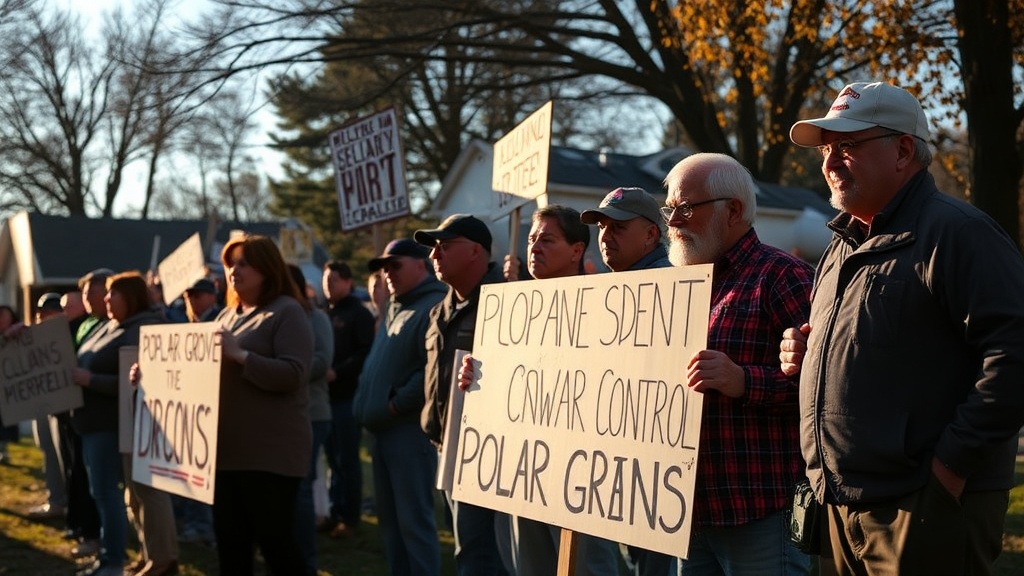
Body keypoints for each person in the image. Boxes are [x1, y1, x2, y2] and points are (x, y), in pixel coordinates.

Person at [780, 81, 1024, 575]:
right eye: (827, 149)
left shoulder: (958, 232)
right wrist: (807, 351)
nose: (829, 162)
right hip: (839, 504)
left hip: (921, 507)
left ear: (903, 150)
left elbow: (1014, 355)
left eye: (847, 146)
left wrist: (948, 471)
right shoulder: (839, 248)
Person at [662, 153, 814, 575]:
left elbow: (823, 390)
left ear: (733, 210)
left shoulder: (783, 276)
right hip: (687, 511)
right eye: (670, 208)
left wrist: (743, 380)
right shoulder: (677, 288)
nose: (673, 221)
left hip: (759, 512)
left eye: (686, 208)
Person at [458, 205, 620, 576]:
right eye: (531, 239)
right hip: (523, 469)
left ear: (577, 250)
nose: (535, 248)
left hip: (581, 477)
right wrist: (479, 375)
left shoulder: (606, 307)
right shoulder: (512, 310)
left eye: (547, 240)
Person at [580, 187, 674, 576]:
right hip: (618, 460)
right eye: (602, 225)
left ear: (651, 234)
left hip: (657, 468)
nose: (605, 235)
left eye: (618, 226)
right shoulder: (609, 287)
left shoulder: (673, 286)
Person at [212, 234, 314, 574]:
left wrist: (240, 355)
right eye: (230, 264)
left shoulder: (287, 312)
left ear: (267, 269)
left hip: (270, 456)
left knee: (276, 547)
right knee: (231, 547)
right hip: (227, 455)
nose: (234, 271)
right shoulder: (226, 316)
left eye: (243, 263)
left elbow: (294, 373)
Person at [415, 214, 511, 576]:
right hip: (445, 445)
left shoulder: (504, 301)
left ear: (475, 251)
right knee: (465, 548)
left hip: (485, 450)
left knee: (480, 553)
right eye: (433, 247)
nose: (435, 254)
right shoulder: (440, 310)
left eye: (445, 245)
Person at [352, 238, 447, 576]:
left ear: (420, 264)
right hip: (383, 432)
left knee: (414, 525)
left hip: (408, 432)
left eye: (395, 264)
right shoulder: (396, 305)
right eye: (383, 267)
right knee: (392, 527)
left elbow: (432, 370)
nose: (387, 272)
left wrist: (395, 406)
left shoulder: (433, 305)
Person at [72, 272, 172, 576]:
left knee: (138, 492)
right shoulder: (111, 326)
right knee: (132, 495)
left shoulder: (144, 328)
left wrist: (92, 380)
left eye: (112, 294)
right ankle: (146, 555)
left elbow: (140, 380)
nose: (105, 299)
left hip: (131, 423)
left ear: (131, 297)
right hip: (108, 423)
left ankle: (154, 559)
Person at [321, 260, 375, 538]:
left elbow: (366, 353)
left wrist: (338, 372)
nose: (327, 285)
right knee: (333, 459)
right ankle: (334, 510)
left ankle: (350, 518)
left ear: (347, 282)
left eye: (333, 280)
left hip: (347, 397)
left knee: (348, 460)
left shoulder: (359, 314)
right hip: (326, 398)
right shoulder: (325, 312)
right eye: (325, 280)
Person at [288, 263, 335, 576]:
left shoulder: (314, 317)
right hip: (283, 414)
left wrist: (282, 369)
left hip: (312, 412)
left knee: (301, 485)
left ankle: (304, 563)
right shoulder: (274, 316)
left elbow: (322, 360)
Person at [172, 277, 220, 546]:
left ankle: (204, 526)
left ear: (212, 296)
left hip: (211, 412)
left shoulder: (219, 322)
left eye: (198, 295)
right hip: (191, 410)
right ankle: (196, 523)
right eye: (189, 295)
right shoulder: (187, 323)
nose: (192, 299)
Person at [28, 293, 69, 521]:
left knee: (61, 456)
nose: (44, 317)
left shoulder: (66, 334)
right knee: (47, 450)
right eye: (42, 312)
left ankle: (63, 501)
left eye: (50, 312)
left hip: (62, 406)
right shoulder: (31, 337)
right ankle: (56, 497)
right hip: (41, 404)